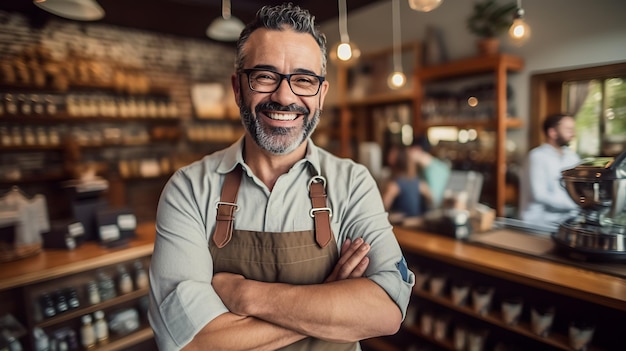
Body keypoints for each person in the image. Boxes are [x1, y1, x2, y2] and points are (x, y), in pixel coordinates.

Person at [148, 3, 414, 351]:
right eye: (265, 76)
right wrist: (328, 302)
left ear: (322, 94)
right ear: (237, 87)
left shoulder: (353, 182)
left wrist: (246, 296)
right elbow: (190, 341)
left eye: (304, 80)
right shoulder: (188, 189)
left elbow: (386, 311)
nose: (284, 96)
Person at [519, 113, 581, 230]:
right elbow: (539, 195)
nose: (573, 134)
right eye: (568, 129)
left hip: (567, 221)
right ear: (552, 132)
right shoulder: (537, 156)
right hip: (539, 224)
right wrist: (575, 205)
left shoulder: (572, 157)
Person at [407, 135, 451, 211]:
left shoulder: (437, 170)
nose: (407, 155)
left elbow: (435, 201)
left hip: (434, 213)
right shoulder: (424, 168)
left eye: (409, 151)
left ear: (416, 150)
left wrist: (419, 186)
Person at [381, 144, 423, 217]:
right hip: (415, 222)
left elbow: (381, 209)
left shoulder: (394, 185)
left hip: (401, 224)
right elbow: (431, 200)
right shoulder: (417, 182)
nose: (389, 157)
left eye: (393, 155)